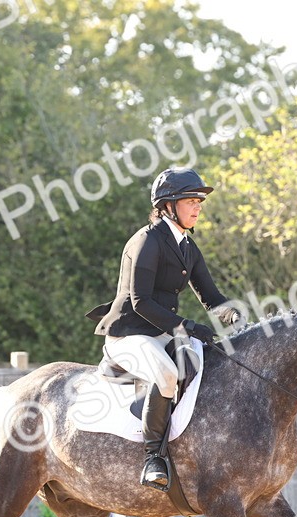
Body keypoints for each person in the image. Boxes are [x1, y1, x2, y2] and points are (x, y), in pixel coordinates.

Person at [86, 167, 242, 491]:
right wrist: (186, 326)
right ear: (168, 205)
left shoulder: (187, 246)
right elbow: (140, 301)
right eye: (191, 201)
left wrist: (239, 317)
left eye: (199, 202)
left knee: (207, 361)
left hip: (160, 333)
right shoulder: (147, 241)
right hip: (129, 335)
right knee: (167, 374)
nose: (198, 207)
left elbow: (211, 297)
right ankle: (153, 457)